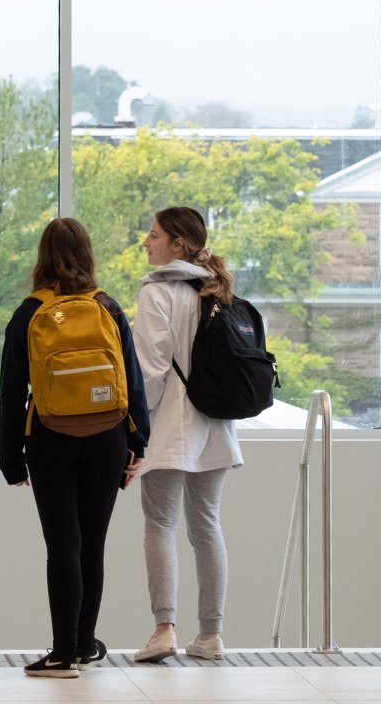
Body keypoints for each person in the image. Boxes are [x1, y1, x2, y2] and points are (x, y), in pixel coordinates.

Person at [0, 217, 149, 678]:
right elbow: (133, 382)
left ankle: (62, 653)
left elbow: (10, 391)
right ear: (87, 254)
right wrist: (137, 441)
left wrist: (10, 457)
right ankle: (83, 644)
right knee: (92, 544)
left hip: (50, 438)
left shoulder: (29, 312)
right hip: (107, 437)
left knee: (62, 543)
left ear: (42, 255)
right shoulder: (108, 306)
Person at [132, 206, 243, 664]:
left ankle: (164, 630)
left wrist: (135, 426)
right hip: (216, 426)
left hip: (171, 427)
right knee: (207, 526)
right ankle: (211, 635)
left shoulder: (158, 293)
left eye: (154, 235)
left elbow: (151, 372)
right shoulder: (218, 289)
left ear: (177, 244)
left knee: (160, 524)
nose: (146, 242)